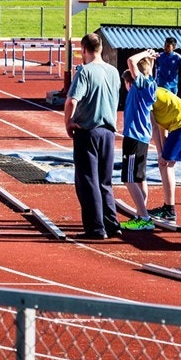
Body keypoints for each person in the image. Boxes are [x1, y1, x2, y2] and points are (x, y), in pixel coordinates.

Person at [64, 32, 121, 240]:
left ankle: (95, 228)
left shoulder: (85, 72)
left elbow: (71, 100)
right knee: (105, 181)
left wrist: (68, 122)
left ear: (84, 50)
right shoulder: (113, 72)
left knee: (88, 181)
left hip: (88, 131)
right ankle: (112, 223)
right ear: (102, 49)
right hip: (108, 132)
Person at [146, 71, 181, 221]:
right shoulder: (158, 93)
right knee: (167, 164)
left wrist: (161, 154)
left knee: (165, 165)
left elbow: (155, 128)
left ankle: (169, 209)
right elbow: (163, 129)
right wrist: (162, 153)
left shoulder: (148, 95)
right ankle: (169, 207)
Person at [119, 51, 161, 231]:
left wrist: (146, 53)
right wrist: (150, 61)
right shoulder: (151, 83)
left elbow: (131, 61)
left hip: (134, 137)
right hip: (143, 137)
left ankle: (143, 216)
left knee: (128, 179)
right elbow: (147, 71)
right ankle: (140, 213)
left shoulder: (140, 85)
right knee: (140, 178)